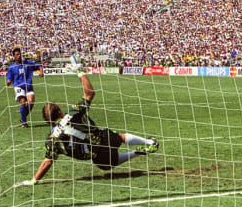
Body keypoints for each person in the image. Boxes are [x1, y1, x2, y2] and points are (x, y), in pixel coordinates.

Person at [13, 72, 159, 187]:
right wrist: (80, 72)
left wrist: (33, 180)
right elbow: (90, 93)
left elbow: (47, 162)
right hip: (102, 139)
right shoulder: (72, 113)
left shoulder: (51, 139)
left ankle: (136, 152)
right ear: (58, 112)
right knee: (119, 137)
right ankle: (149, 142)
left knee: (108, 166)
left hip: (94, 155)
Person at [6, 48, 44, 128]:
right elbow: (9, 79)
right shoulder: (12, 67)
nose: (19, 56)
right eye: (17, 54)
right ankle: (24, 121)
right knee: (23, 102)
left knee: (31, 102)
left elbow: (39, 66)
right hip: (18, 86)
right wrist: (8, 82)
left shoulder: (28, 63)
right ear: (14, 56)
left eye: (20, 54)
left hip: (28, 86)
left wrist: (41, 72)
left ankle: (23, 118)